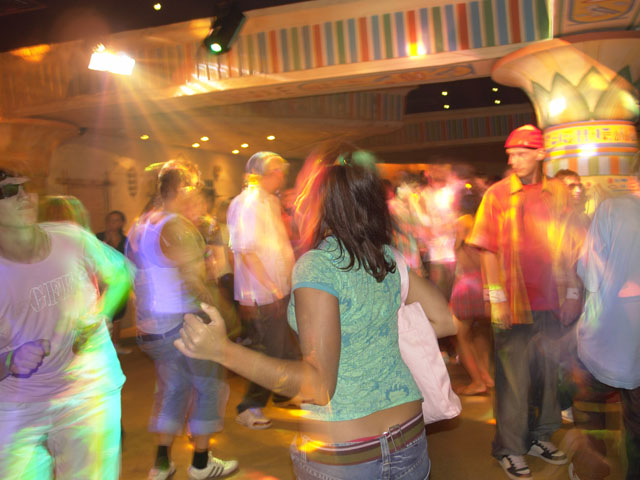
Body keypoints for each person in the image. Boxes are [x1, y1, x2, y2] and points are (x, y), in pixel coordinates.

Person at [175, 147, 456, 480]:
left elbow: (318, 385)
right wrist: (371, 328)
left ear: (322, 205)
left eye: (305, 193)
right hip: (409, 438)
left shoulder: (318, 266)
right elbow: (444, 320)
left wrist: (222, 350)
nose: (295, 200)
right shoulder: (386, 257)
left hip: (350, 457)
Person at [0, 169, 132, 479]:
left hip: (89, 390)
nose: (24, 196)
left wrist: (103, 312)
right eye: (8, 191)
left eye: (26, 187)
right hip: (19, 402)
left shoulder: (68, 237)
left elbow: (121, 273)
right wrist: (9, 360)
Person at [468, 125, 582, 480]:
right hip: (514, 303)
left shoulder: (558, 193)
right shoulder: (498, 194)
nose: (514, 160)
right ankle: (510, 448)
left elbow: (572, 245)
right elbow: (486, 248)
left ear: (540, 154)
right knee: (513, 381)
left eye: (521, 153)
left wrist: (573, 293)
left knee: (548, 376)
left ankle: (540, 436)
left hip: (553, 302)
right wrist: (497, 298)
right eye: (510, 155)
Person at [126, 160, 237, 480]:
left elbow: (131, 275)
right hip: (180, 323)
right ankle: (201, 464)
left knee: (172, 389)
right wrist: (224, 316)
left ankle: (161, 465)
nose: (196, 192)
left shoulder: (141, 224)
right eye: (193, 186)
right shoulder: (176, 226)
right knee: (210, 387)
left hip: (151, 328)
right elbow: (194, 281)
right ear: (180, 187)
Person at [567, 189, 640, 480]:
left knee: (587, 403)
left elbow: (589, 272)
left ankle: (591, 470)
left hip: (607, 333)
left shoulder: (612, 209)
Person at [226, 151, 300, 429]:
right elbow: (247, 252)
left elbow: (275, 247)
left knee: (285, 348)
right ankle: (248, 408)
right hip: (261, 294)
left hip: (278, 289)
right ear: (265, 174)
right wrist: (272, 289)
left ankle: (282, 394)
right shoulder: (247, 203)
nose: (282, 176)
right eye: (278, 171)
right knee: (268, 353)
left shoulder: (269, 201)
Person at [450, 189, 493, 395]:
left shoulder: (462, 225)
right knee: (481, 332)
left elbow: (464, 257)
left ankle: (477, 381)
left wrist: (458, 243)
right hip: (484, 286)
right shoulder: (483, 225)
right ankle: (486, 375)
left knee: (461, 336)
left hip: (467, 287)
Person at [97, 210, 132, 354]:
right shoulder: (98, 237)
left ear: (122, 223)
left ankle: (116, 345)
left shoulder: (125, 241)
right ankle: (101, 348)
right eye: (110, 220)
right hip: (101, 282)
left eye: (116, 220)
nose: (113, 223)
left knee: (117, 316)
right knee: (102, 315)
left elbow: (129, 260)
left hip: (119, 282)